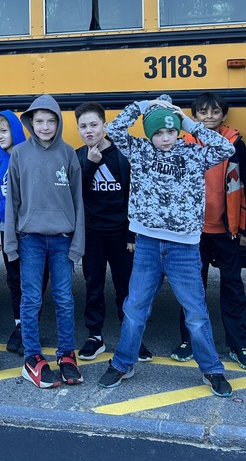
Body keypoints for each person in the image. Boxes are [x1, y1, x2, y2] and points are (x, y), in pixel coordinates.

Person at [97, 95, 236, 398]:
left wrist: (187, 122)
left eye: (170, 131)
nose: (164, 138)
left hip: (184, 248)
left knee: (196, 313)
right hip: (147, 243)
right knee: (135, 309)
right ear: (150, 134)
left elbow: (227, 147)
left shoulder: (193, 153)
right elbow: (116, 129)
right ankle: (123, 363)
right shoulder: (140, 150)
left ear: (177, 131)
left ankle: (211, 369)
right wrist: (140, 106)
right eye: (158, 132)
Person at [170, 93, 246, 370]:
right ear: (193, 116)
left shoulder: (234, 144)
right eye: (202, 112)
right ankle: (189, 340)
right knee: (191, 289)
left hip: (227, 230)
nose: (209, 116)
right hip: (192, 232)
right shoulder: (181, 143)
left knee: (232, 287)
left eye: (215, 111)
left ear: (224, 115)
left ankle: (238, 344)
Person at [3, 94, 84, 389]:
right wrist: (10, 242)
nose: (46, 126)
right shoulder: (20, 154)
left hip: (62, 239)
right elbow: (12, 201)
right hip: (30, 239)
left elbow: (77, 202)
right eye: (39, 121)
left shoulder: (68, 154)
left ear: (59, 123)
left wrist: (78, 244)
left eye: (51, 121)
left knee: (64, 298)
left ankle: (66, 354)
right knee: (31, 299)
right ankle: (32, 357)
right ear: (30, 123)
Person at [74, 102, 150, 363]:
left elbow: (134, 195)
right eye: (83, 127)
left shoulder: (121, 155)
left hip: (120, 233)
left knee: (126, 287)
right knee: (93, 284)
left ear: (104, 126)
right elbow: (74, 196)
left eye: (94, 125)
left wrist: (132, 235)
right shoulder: (78, 157)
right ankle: (95, 336)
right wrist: (90, 165)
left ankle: (131, 337)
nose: (89, 131)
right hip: (92, 233)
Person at [0, 110, 27, 354]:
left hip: (30, 230)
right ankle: (19, 325)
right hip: (6, 231)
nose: (0, 136)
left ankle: (28, 327)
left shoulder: (28, 158)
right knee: (14, 280)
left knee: (31, 281)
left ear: (16, 129)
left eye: (4, 130)